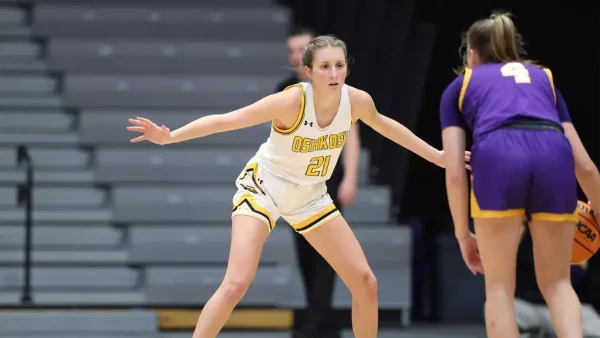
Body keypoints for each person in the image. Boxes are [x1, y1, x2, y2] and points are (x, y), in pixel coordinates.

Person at [128, 35, 456, 338]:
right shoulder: (290, 102)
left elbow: (387, 126)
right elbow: (228, 119)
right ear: (309, 71)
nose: (333, 73)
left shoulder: (356, 101)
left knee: (366, 282)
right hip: (263, 190)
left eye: (339, 65)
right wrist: (171, 136)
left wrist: (438, 156)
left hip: (310, 196)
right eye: (325, 66)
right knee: (236, 284)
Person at [440, 12, 600, 338]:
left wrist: (462, 234)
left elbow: (456, 172)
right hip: (553, 153)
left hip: (499, 153)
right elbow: (584, 166)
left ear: (471, 53)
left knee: (499, 287)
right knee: (558, 283)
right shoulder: (545, 80)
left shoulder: (461, 84)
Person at [276, 26, 361, 338]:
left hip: (327, 179)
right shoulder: (284, 89)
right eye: (292, 51)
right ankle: (324, 321)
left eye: (302, 49)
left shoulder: (335, 87)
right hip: (296, 183)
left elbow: (352, 133)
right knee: (305, 252)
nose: (296, 56)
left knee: (329, 251)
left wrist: (351, 176)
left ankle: (314, 324)